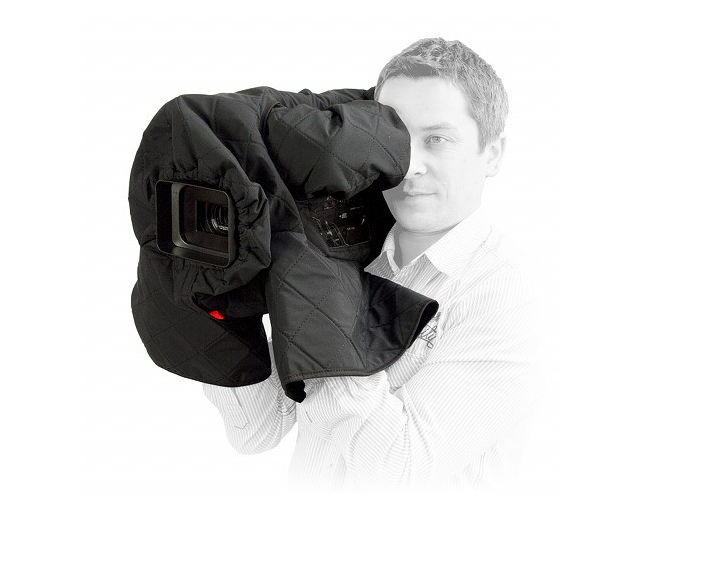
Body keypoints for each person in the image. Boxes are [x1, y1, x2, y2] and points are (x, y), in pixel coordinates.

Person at [203, 37, 540, 491]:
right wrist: (215, 285)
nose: (408, 166)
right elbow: (255, 430)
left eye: (437, 139)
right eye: (393, 139)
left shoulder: (509, 295)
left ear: (493, 153)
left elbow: (397, 471)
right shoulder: (346, 251)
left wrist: (316, 293)